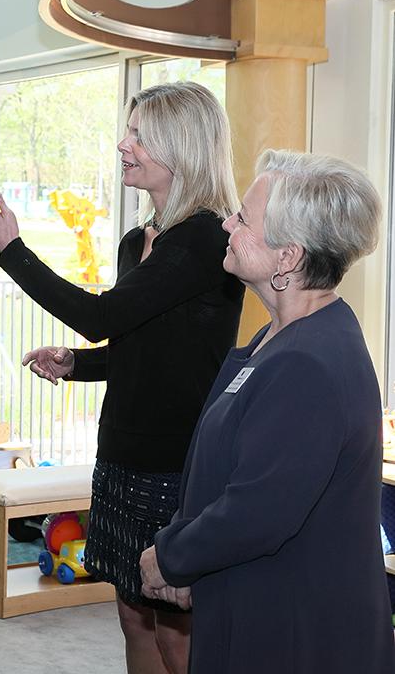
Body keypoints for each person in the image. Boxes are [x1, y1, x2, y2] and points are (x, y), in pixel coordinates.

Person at [0, 81, 244, 674]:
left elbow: (99, 317)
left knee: (177, 635)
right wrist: (79, 364)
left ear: (182, 146)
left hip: (176, 464)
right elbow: (138, 344)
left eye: (139, 135)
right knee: (132, 620)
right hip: (119, 454)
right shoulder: (136, 241)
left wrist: (12, 249)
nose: (123, 144)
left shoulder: (204, 239)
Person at [140, 150, 395, 672]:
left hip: (295, 633)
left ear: (288, 259)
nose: (228, 225)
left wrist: (171, 556)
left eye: (244, 219)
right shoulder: (279, 335)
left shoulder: (309, 362)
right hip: (256, 606)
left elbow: (257, 511)